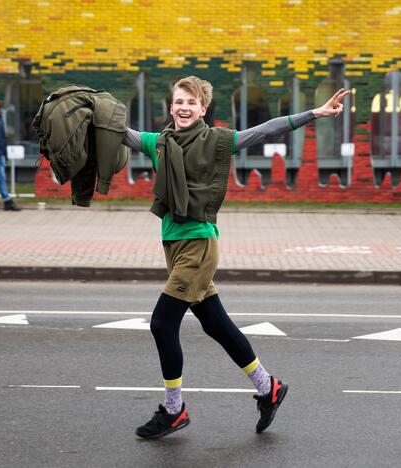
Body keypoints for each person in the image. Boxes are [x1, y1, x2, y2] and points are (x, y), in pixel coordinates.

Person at [121, 76, 350, 439]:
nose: (183, 107)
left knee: (162, 324)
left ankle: (174, 409)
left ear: (203, 109)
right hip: (176, 245)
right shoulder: (159, 143)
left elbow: (264, 131)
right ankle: (268, 387)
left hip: (198, 246)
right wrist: (88, 112)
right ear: (171, 105)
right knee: (215, 324)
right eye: (179, 101)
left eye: (191, 103)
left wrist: (315, 113)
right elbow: (123, 133)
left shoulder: (216, 141)